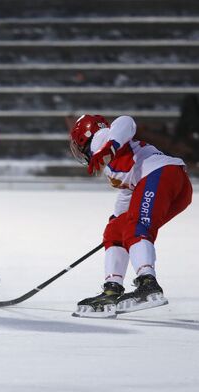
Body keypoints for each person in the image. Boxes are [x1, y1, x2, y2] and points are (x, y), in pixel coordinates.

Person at [69, 114, 192, 318]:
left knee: (136, 228)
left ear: (83, 138)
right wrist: (115, 223)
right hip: (175, 185)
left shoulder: (103, 139)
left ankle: (147, 284)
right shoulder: (111, 162)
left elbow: (125, 121)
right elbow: (127, 193)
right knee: (116, 231)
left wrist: (108, 146)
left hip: (161, 174)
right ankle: (112, 288)